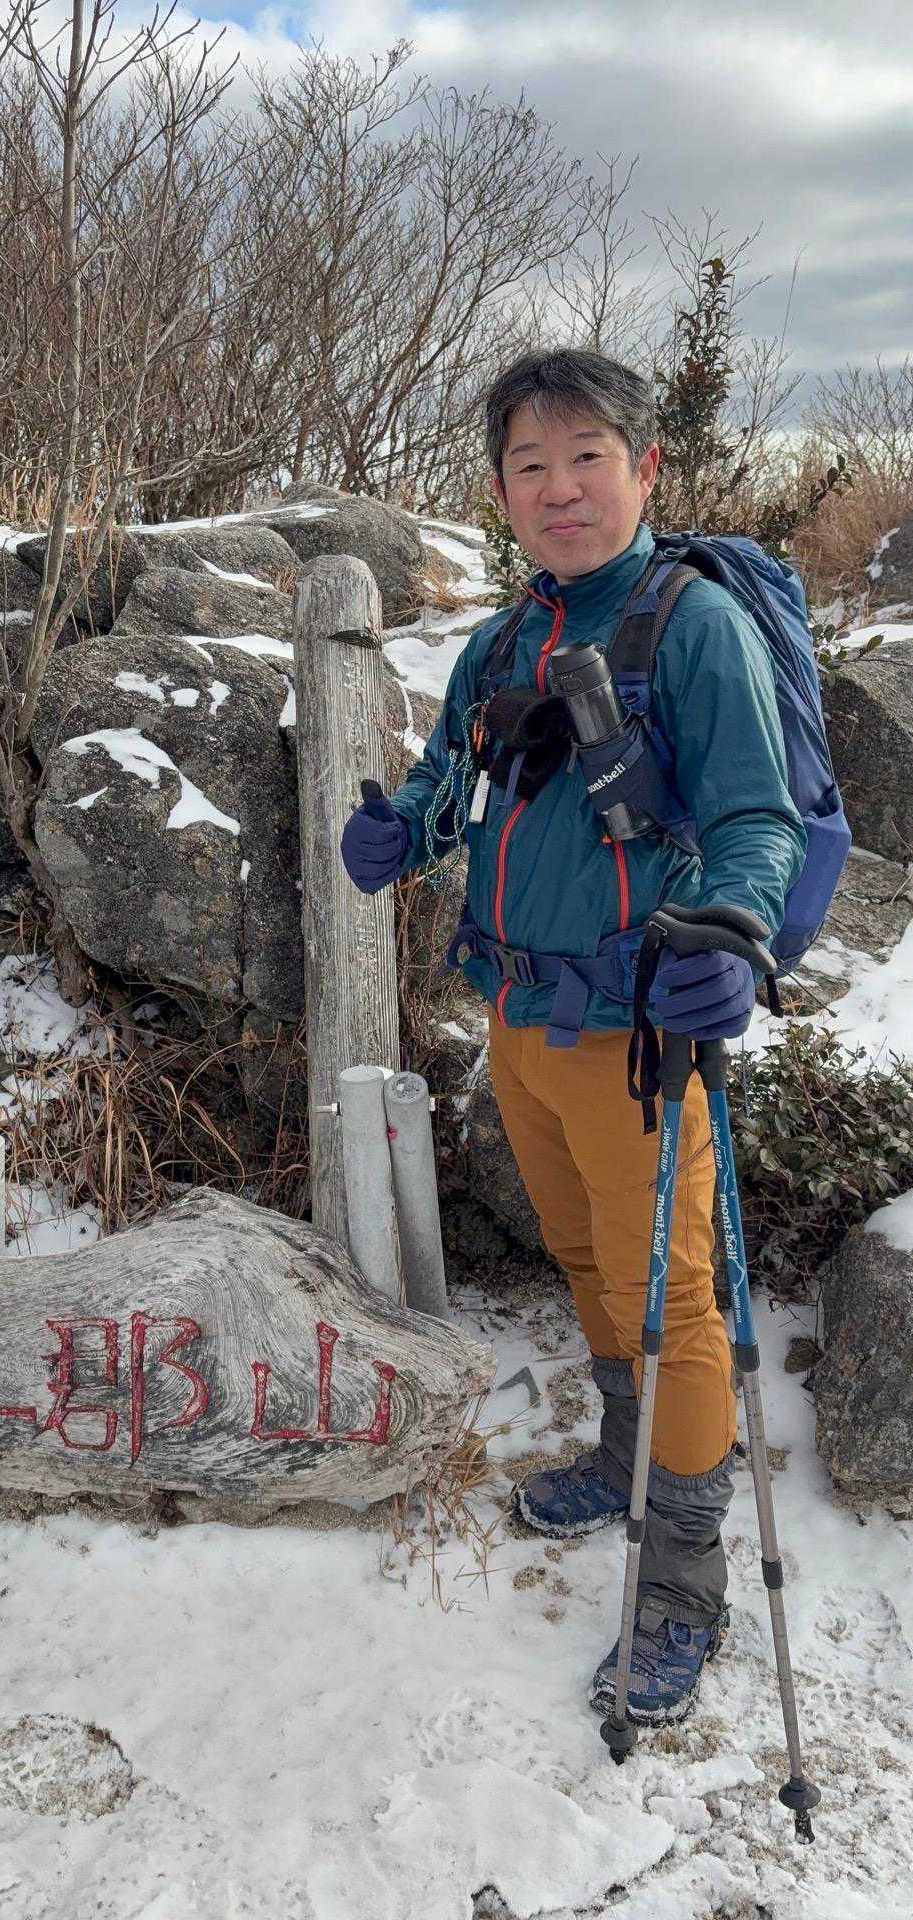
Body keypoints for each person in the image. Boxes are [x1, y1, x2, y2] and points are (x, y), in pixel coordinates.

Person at [339, 345, 807, 1726]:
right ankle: (622, 1452)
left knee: (674, 1298)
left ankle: (683, 1580)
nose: (560, 489)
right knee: (588, 1256)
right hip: (521, 1020)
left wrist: (731, 933)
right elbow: (450, 782)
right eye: (530, 466)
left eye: (586, 458)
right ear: (500, 492)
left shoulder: (694, 628)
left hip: (642, 1033)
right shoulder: (502, 643)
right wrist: (399, 832)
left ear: (645, 469)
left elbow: (757, 820)